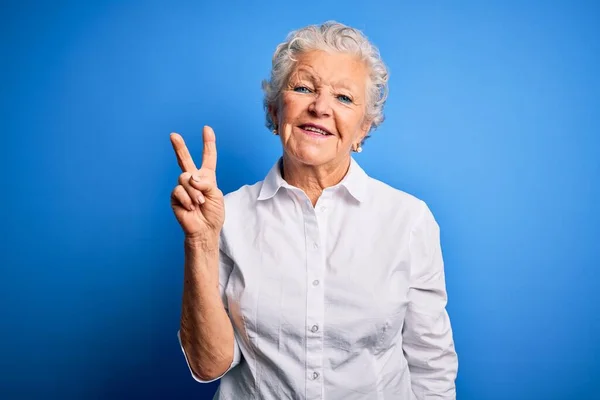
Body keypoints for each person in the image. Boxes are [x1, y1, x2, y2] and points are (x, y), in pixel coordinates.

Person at [170, 21, 458, 400]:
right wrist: (201, 241)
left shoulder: (408, 220)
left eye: (343, 98)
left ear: (363, 128)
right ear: (275, 112)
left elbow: (431, 367)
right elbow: (210, 365)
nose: (320, 107)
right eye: (304, 88)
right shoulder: (228, 216)